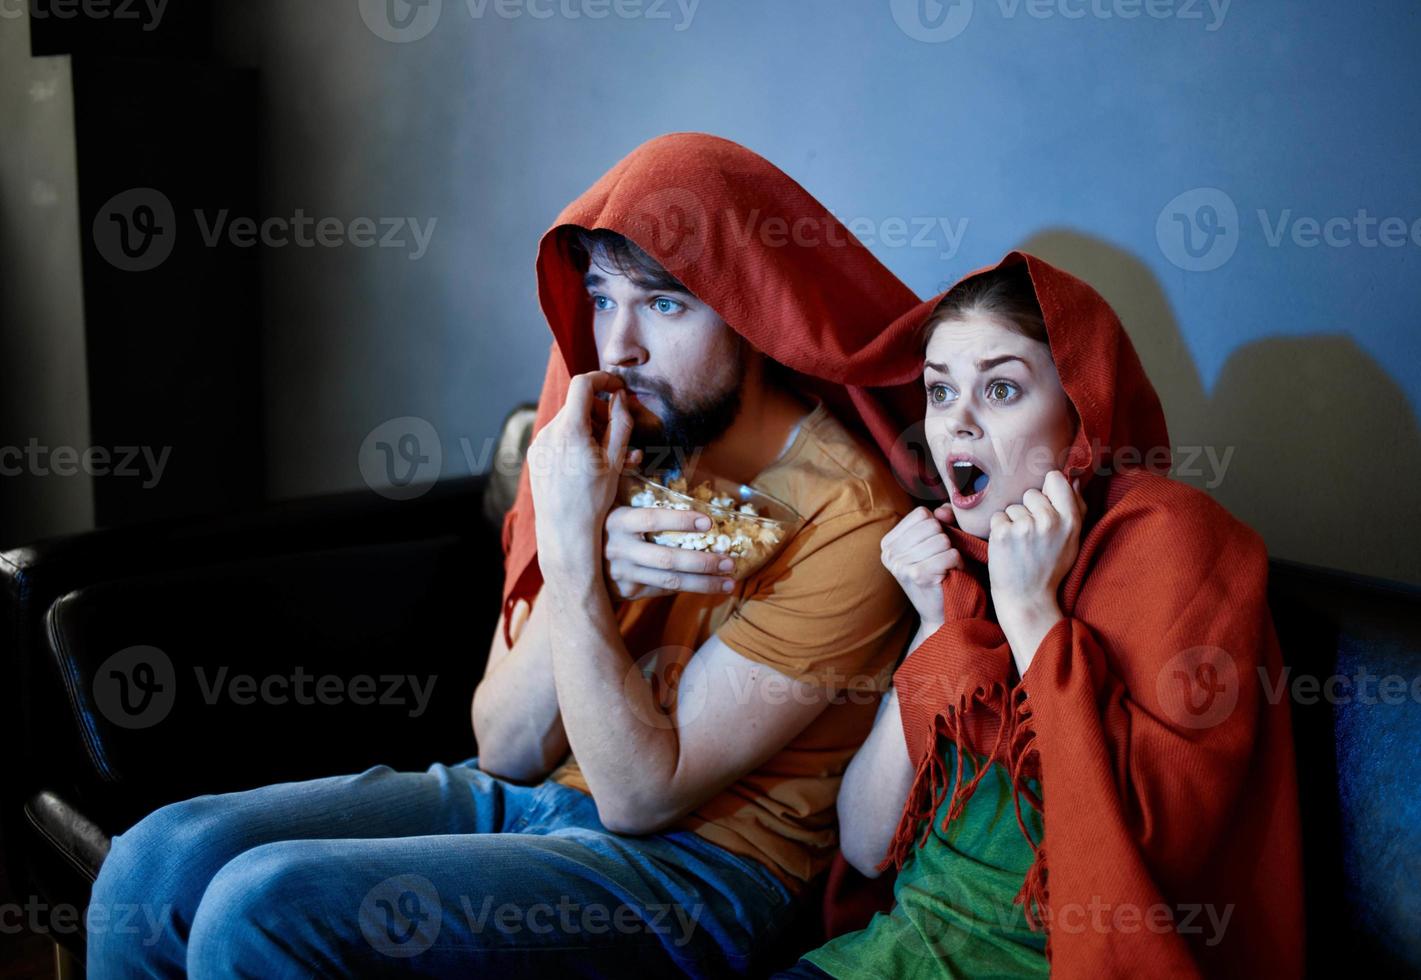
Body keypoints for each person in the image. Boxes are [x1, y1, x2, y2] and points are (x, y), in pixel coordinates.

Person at [85, 133, 932, 978]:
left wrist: (572, 560)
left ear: (752, 307)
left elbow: (641, 796)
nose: (618, 347)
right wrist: (586, 559)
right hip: (528, 797)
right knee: (157, 860)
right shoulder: (611, 446)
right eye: (602, 299)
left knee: (266, 906)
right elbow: (503, 747)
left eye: (664, 304)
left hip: (698, 869)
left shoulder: (849, 516)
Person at [777, 253, 1305, 978]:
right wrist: (935, 628)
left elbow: (1153, 850)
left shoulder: (1174, 538)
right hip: (876, 957)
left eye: (999, 388)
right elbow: (867, 845)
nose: (955, 424)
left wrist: (1032, 616)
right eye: (938, 391)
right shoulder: (959, 563)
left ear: (1081, 406)